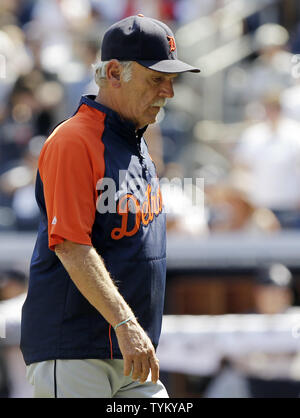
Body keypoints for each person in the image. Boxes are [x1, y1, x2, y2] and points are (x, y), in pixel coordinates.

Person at [20, 14, 200, 398]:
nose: (168, 91)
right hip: (75, 351)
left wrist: (131, 331)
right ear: (115, 73)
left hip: (133, 353)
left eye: (171, 80)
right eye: (156, 78)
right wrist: (125, 324)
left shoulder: (137, 144)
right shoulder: (73, 140)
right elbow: (70, 243)